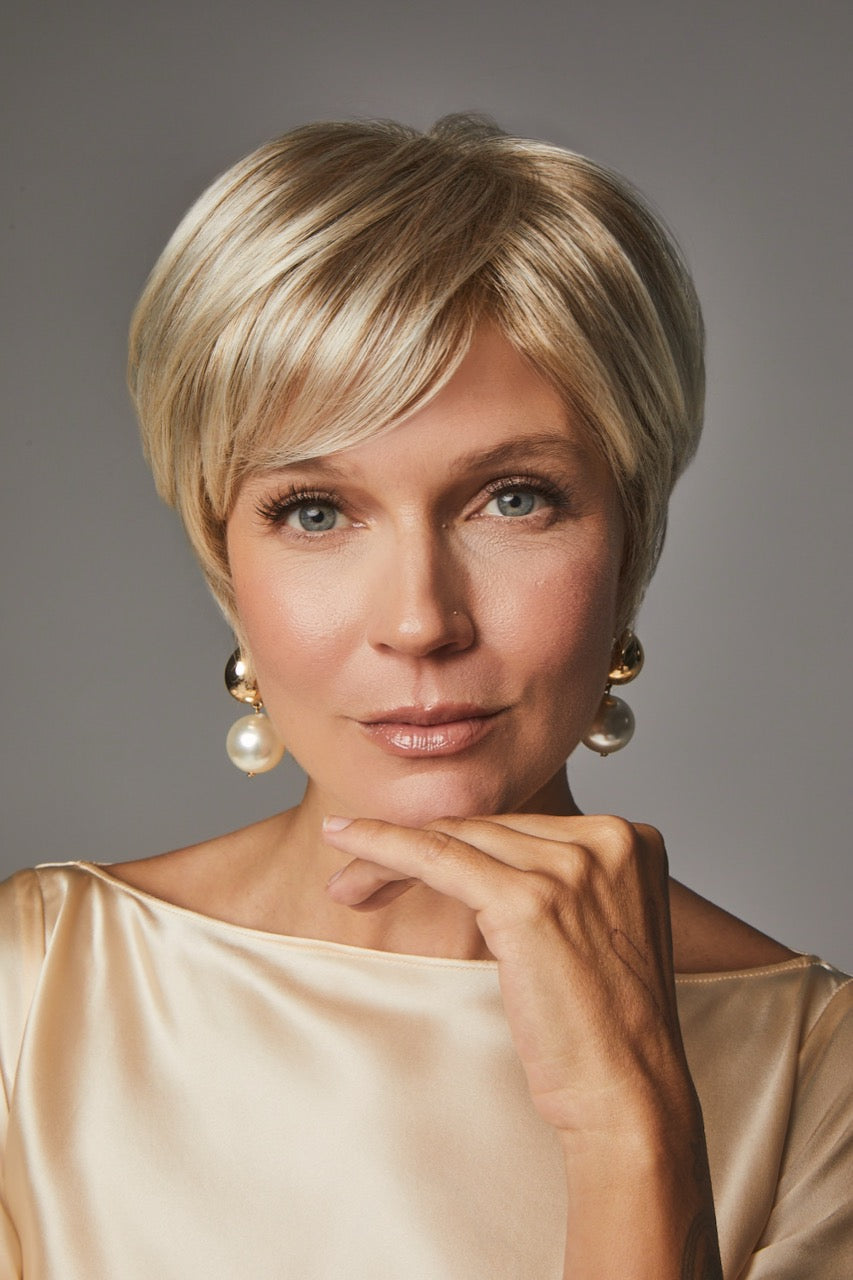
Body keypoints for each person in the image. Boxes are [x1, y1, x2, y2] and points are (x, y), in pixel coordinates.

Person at [0, 115, 850, 1280]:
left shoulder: (814, 1070)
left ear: (631, 539)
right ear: (224, 558)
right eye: (315, 510)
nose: (419, 619)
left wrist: (630, 1122)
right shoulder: (36, 988)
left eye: (514, 498)